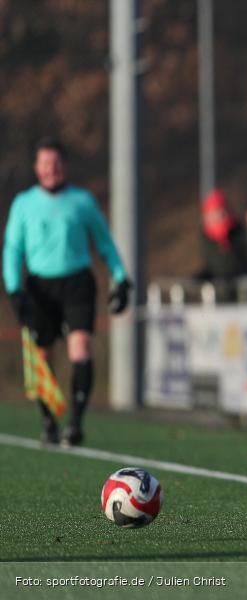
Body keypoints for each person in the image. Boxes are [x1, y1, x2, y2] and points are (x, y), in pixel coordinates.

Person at [3, 138, 131, 446]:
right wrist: (14, 290)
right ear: (37, 168)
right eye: (45, 164)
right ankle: (48, 420)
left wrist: (121, 277)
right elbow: (12, 249)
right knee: (42, 353)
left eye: (56, 164)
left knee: (81, 349)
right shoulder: (23, 203)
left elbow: (105, 243)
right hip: (39, 287)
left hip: (77, 283)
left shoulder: (82, 201)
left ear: (64, 167)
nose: (51, 170)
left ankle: (75, 423)